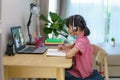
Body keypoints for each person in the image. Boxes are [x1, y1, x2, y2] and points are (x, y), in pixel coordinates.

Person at [58, 15, 94, 80]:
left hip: (81, 74)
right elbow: (74, 45)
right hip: (78, 70)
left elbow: (69, 54)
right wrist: (65, 46)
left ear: (75, 28)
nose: (68, 30)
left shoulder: (82, 41)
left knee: (57, 73)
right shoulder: (81, 38)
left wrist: (67, 51)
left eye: (69, 27)